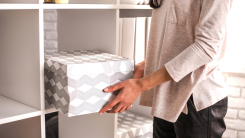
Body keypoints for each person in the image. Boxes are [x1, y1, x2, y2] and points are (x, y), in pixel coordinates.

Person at [99, 0, 234, 137]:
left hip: (196, 100)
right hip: (165, 94)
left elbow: (206, 48)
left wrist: (141, 85)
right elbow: (177, 38)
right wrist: (145, 66)